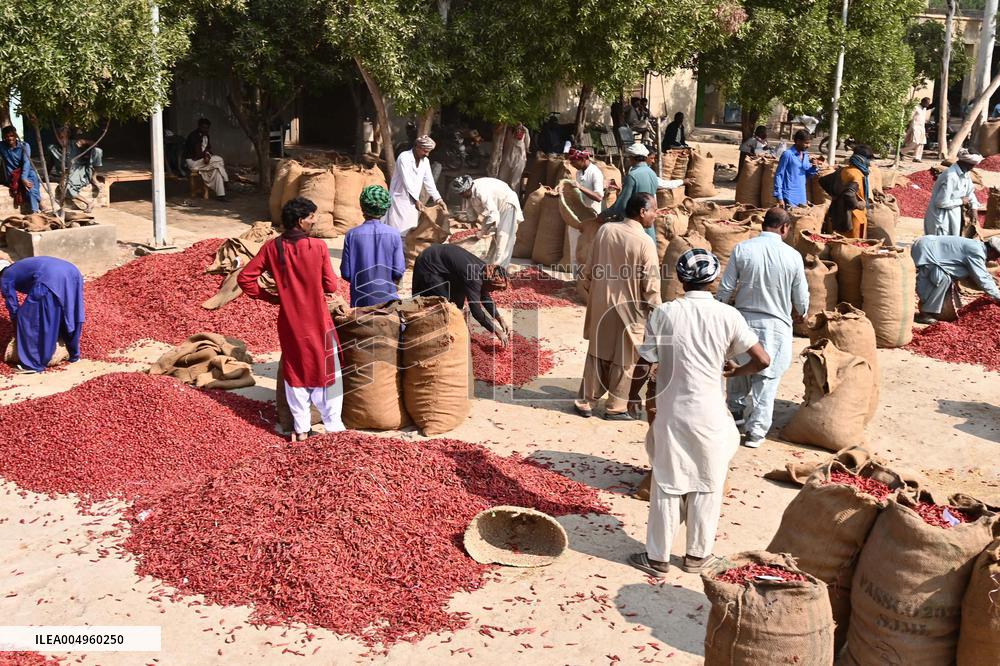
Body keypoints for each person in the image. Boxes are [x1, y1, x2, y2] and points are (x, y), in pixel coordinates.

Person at [628, 249, 770, 576]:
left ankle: (658, 558)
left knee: (667, 483)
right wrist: (735, 372)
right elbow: (762, 360)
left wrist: (633, 396)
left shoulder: (664, 314)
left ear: (680, 278)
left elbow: (645, 362)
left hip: (672, 413)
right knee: (708, 484)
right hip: (711, 416)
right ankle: (697, 557)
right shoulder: (728, 316)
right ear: (713, 279)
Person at [238, 197, 345, 441]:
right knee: (326, 369)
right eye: (312, 217)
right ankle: (334, 428)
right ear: (301, 221)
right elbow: (330, 285)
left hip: (290, 322)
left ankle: (301, 429)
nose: (315, 220)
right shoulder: (317, 247)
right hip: (318, 320)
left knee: (295, 371)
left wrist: (271, 297)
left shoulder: (272, 247)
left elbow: (245, 278)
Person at [716, 207, 808, 449]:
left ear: (762, 224)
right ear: (785, 228)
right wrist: (801, 313)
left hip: (743, 322)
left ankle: (734, 418)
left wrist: (717, 314)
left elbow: (725, 288)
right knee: (766, 381)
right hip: (776, 326)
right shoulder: (792, 256)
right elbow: (801, 296)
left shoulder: (743, 249)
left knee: (737, 373)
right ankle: (756, 433)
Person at [575, 192, 661, 421]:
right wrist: (658, 312)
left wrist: (590, 290)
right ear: (642, 212)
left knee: (597, 353)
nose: (656, 214)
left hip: (602, 302)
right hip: (630, 309)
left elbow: (590, 266)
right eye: (654, 209)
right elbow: (651, 284)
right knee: (625, 359)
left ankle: (585, 401)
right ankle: (615, 407)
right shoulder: (645, 242)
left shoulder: (606, 230)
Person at [411, 243, 511, 345]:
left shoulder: (485, 271)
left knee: (457, 302)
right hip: (429, 263)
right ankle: (433, 336)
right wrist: (496, 331)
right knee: (444, 304)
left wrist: (499, 318)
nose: (493, 291)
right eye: (493, 288)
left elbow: (485, 297)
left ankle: (452, 329)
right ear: (488, 280)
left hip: (443, 264)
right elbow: (476, 311)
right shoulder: (474, 277)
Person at [0, 256, 85, 374]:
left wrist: (18, 324)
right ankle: (74, 354)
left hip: (50, 278)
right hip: (73, 272)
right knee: (69, 311)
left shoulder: (5, 275)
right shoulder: (20, 265)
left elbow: (11, 303)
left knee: (29, 319)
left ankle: (33, 364)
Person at [911, 235, 1000, 324]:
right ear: (992, 250)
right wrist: (997, 296)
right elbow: (982, 277)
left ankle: (928, 310)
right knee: (941, 279)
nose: (995, 259)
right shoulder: (977, 252)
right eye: (997, 255)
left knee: (943, 278)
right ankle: (925, 314)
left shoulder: (976, 246)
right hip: (926, 250)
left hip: (926, 246)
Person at [340, 185, 405, 307]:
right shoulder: (394, 234)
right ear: (385, 209)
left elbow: (346, 273)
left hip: (360, 303)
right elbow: (398, 271)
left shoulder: (351, 235)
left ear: (363, 207)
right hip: (388, 304)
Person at [450, 175, 523, 268]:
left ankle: (499, 269)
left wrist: (482, 232)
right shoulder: (469, 194)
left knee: (503, 237)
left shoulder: (481, 191)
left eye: (462, 193)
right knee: (495, 238)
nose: (461, 196)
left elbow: (493, 215)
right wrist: (474, 227)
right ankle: (489, 265)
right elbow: (470, 211)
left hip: (506, 204)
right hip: (496, 206)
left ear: (467, 190)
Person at [384, 135, 442, 237]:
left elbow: (429, 181)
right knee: (397, 232)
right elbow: (407, 181)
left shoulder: (425, 161)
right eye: (425, 151)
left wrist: (438, 199)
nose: (427, 154)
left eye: (429, 152)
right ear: (417, 147)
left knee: (410, 233)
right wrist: (416, 200)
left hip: (414, 203)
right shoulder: (404, 157)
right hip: (400, 200)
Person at [603, 143, 659, 247]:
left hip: (635, 225)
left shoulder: (632, 176)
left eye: (629, 158)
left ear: (632, 158)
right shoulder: (652, 173)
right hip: (648, 222)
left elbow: (621, 205)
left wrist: (603, 216)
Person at [924, 149, 982, 237]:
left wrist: (974, 208)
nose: (973, 167)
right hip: (941, 218)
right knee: (941, 246)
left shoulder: (965, 174)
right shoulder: (950, 176)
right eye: (972, 165)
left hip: (954, 215)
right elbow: (941, 203)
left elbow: (970, 192)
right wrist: (961, 201)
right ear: (966, 163)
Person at [48, 127, 103, 211]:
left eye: (65, 137)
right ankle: (88, 203)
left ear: (68, 137)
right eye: (60, 137)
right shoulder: (52, 148)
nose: (63, 140)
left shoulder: (74, 144)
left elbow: (95, 144)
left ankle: (93, 177)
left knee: (98, 151)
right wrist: (46, 175)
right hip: (66, 175)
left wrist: (84, 142)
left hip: (81, 172)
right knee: (65, 188)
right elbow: (50, 163)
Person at [568, 148, 605, 268]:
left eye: (574, 162)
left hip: (591, 217)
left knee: (588, 251)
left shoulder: (595, 173)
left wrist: (580, 187)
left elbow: (599, 197)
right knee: (575, 249)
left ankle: (586, 282)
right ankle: (576, 281)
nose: (572, 165)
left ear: (583, 159)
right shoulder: (579, 172)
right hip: (579, 216)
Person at [828, 144, 874, 239]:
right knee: (853, 245)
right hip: (853, 216)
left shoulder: (844, 170)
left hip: (838, 213)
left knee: (840, 243)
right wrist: (857, 204)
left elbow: (827, 183)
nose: (869, 163)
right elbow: (849, 193)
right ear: (862, 159)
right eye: (868, 160)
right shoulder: (856, 174)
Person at [184, 118, 228, 201]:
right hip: (193, 161)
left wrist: (208, 155)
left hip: (202, 160)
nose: (206, 129)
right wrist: (206, 156)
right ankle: (226, 179)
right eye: (204, 127)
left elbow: (208, 149)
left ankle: (221, 196)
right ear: (199, 126)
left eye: (207, 128)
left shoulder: (207, 135)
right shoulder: (193, 136)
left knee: (217, 170)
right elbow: (197, 154)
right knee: (219, 159)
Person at [0, 126, 42, 213]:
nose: (9, 138)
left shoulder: (24, 146)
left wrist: (24, 178)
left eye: (11, 136)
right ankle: (39, 205)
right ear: (4, 137)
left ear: (15, 135)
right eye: (7, 136)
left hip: (27, 172)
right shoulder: (2, 146)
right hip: (13, 175)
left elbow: (26, 162)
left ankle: (35, 211)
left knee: (31, 186)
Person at [773, 129, 818, 208]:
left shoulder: (805, 155)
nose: (808, 146)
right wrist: (779, 197)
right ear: (798, 141)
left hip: (801, 196)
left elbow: (807, 175)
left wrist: (814, 168)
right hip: (788, 196)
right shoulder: (787, 154)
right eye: (806, 143)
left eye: (809, 143)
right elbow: (779, 175)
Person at [497, 124, 530, 195]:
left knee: (514, 183)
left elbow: (527, 146)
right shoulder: (508, 130)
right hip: (507, 157)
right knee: (503, 178)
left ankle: (513, 199)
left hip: (519, 159)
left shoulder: (525, 131)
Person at [905, 97, 932, 162]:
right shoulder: (916, 107)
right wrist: (908, 126)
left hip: (922, 127)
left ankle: (917, 157)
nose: (928, 105)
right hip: (915, 127)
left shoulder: (924, 109)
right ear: (923, 102)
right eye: (927, 103)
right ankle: (902, 152)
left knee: (921, 143)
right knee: (915, 142)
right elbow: (910, 117)